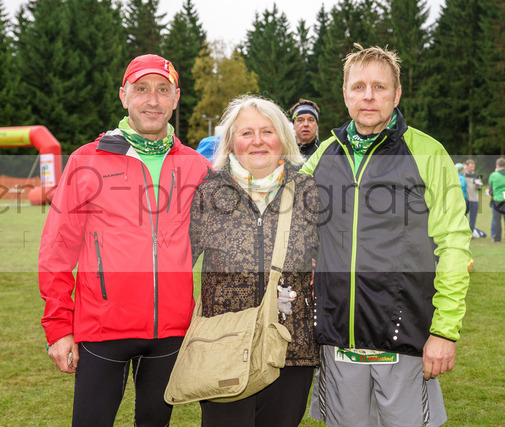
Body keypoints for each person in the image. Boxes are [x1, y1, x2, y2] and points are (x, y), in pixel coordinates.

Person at [301, 44, 471, 427]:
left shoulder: (428, 152)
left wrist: (444, 331)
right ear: (345, 93)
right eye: (358, 86)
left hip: (404, 336)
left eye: (379, 87)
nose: (368, 96)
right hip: (337, 338)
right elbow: (290, 220)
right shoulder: (325, 154)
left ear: (397, 95)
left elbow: (454, 247)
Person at [38, 54, 211, 426]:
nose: (153, 100)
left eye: (163, 90)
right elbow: (57, 250)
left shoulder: (198, 167)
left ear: (176, 98)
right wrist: (58, 328)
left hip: (170, 332)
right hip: (102, 330)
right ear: (123, 95)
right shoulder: (87, 160)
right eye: (142, 89)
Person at [189, 94, 320, 427]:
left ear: (284, 138)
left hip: (290, 348)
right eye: (247, 133)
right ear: (231, 142)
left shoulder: (308, 191)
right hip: (224, 345)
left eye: (267, 131)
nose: (257, 141)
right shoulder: (209, 192)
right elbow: (177, 260)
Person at [488, 157, 505, 243]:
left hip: (497, 199)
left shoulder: (494, 175)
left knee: (497, 219)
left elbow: (490, 183)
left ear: (497, 165)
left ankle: (497, 238)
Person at [464, 159, 483, 235]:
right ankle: (464, 232)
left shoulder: (476, 176)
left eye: (473, 167)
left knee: (473, 218)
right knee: (464, 217)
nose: (473, 168)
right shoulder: (463, 174)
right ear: (467, 166)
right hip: (466, 200)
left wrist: (478, 185)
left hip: (474, 200)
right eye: (471, 167)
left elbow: (480, 188)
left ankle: (470, 233)